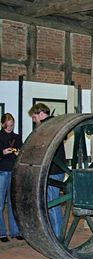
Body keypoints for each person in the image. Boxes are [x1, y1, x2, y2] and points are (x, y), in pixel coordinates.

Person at [28, 103, 65, 238]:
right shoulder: (56, 125)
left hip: (52, 171)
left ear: (41, 114)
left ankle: (56, 236)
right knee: (51, 202)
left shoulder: (48, 127)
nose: (33, 120)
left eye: (34, 117)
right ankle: (54, 233)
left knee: (52, 203)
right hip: (56, 170)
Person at [0, 113, 23, 242]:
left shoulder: (17, 137)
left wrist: (18, 153)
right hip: (2, 171)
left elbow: (21, 150)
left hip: (13, 170)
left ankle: (15, 231)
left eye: (12, 125)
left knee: (12, 203)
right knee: (0, 204)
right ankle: (2, 233)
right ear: (3, 124)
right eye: (8, 125)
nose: (10, 127)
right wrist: (2, 152)